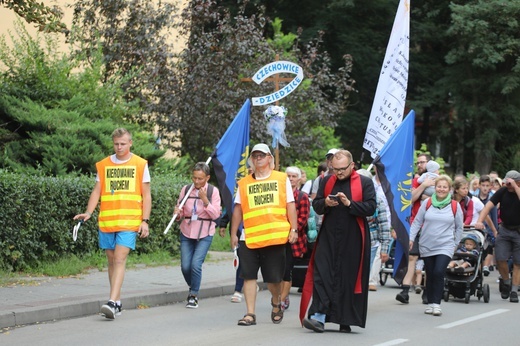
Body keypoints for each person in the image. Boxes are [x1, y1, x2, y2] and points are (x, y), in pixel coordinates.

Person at [73, 128, 151, 319]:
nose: (119, 147)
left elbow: (146, 195)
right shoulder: (104, 165)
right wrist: (88, 212)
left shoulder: (140, 164)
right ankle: (116, 301)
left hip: (130, 221)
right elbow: (97, 191)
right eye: (116, 144)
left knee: (119, 259)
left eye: (123, 144)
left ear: (130, 143)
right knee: (110, 260)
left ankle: (111, 301)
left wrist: (145, 221)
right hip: (107, 221)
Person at [301, 149, 376, 333]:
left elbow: (371, 207)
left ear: (352, 166)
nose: (339, 173)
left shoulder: (365, 182)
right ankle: (318, 317)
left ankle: (345, 319)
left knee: (347, 278)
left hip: (354, 238)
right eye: (335, 169)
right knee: (322, 273)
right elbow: (316, 206)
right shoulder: (327, 180)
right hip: (329, 235)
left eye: (343, 169)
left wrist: (350, 204)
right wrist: (325, 202)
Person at [230, 143, 298, 326]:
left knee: (274, 279)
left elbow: (290, 205)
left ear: (269, 158)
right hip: (249, 237)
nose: (258, 158)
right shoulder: (244, 183)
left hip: (274, 237)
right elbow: (238, 209)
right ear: (251, 159)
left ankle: (276, 302)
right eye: (255, 156)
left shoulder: (281, 179)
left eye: (262, 155)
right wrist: (233, 233)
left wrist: (294, 229)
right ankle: (250, 314)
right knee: (248, 276)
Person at [410, 175, 463, 316]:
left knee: (439, 272)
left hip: (445, 245)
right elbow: (416, 222)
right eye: (439, 186)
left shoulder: (454, 206)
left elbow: (459, 227)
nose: (441, 189)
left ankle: (436, 304)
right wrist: (411, 238)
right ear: (435, 188)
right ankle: (429, 302)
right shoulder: (427, 203)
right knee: (431, 273)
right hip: (427, 244)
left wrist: (455, 244)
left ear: (449, 189)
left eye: (444, 187)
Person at [174, 162, 221, 309]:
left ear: (207, 177)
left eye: (200, 179)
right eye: (194, 178)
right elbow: (180, 212)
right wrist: (176, 214)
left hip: (205, 232)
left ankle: (193, 295)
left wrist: (205, 201)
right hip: (187, 231)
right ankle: (194, 285)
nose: (196, 181)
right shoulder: (186, 189)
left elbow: (216, 215)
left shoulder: (213, 191)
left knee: (196, 265)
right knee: (185, 266)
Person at [475, 170, 520, 303]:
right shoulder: (503, 191)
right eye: (506, 182)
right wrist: (479, 221)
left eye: (510, 183)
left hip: (519, 231)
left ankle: (514, 290)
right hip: (505, 229)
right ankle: (506, 281)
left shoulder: (517, 189)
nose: (508, 185)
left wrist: (516, 188)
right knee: (500, 258)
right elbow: (487, 207)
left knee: (518, 263)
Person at [396, 153, 434, 304]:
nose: (420, 165)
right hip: (415, 224)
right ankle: (405, 291)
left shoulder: (438, 180)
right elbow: (410, 198)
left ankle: (427, 290)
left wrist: (429, 197)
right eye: (418, 163)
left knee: (430, 260)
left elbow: (443, 198)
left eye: (423, 162)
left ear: (430, 164)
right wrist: (423, 186)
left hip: (432, 226)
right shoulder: (415, 181)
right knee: (412, 257)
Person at [280, 166, 310, 311]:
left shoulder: (302, 197)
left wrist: (290, 230)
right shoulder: (279, 194)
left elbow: (302, 219)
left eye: (293, 176)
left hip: (293, 241)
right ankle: (279, 295)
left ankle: (282, 298)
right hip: (277, 238)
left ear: (299, 179)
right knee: (277, 270)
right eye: (288, 176)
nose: (291, 179)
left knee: (287, 270)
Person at [357, 168, 391, 292]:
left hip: (370, 243)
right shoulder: (347, 198)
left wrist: (384, 249)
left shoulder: (376, 200)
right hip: (350, 241)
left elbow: (384, 226)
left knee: (362, 275)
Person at [475, 175, 499, 276]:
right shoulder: (474, 198)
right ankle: (478, 269)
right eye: (483, 185)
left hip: (488, 229)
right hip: (476, 228)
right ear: (479, 186)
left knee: (489, 246)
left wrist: (495, 231)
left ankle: (485, 266)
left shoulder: (492, 200)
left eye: (487, 185)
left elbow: (494, 217)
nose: (485, 188)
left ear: (490, 187)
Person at [219, 211, 244, 303]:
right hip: (238, 233)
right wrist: (223, 224)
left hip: (254, 231)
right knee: (241, 261)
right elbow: (231, 210)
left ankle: (249, 280)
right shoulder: (235, 197)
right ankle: (238, 290)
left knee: (248, 263)